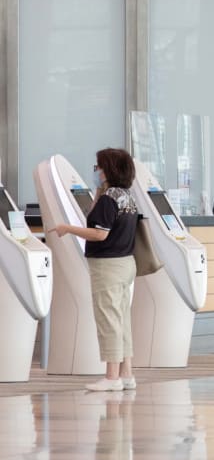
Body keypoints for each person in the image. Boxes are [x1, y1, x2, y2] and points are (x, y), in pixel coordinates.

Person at [51, 148, 139, 392]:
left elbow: (100, 233)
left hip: (108, 266)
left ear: (108, 169)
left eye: (98, 167)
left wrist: (67, 228)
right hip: (126, 263)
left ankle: (111, 377)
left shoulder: (109, 199)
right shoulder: (126, 196)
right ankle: (126, 374)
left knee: (108, 319)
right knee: (122, 319)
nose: (95, 171)